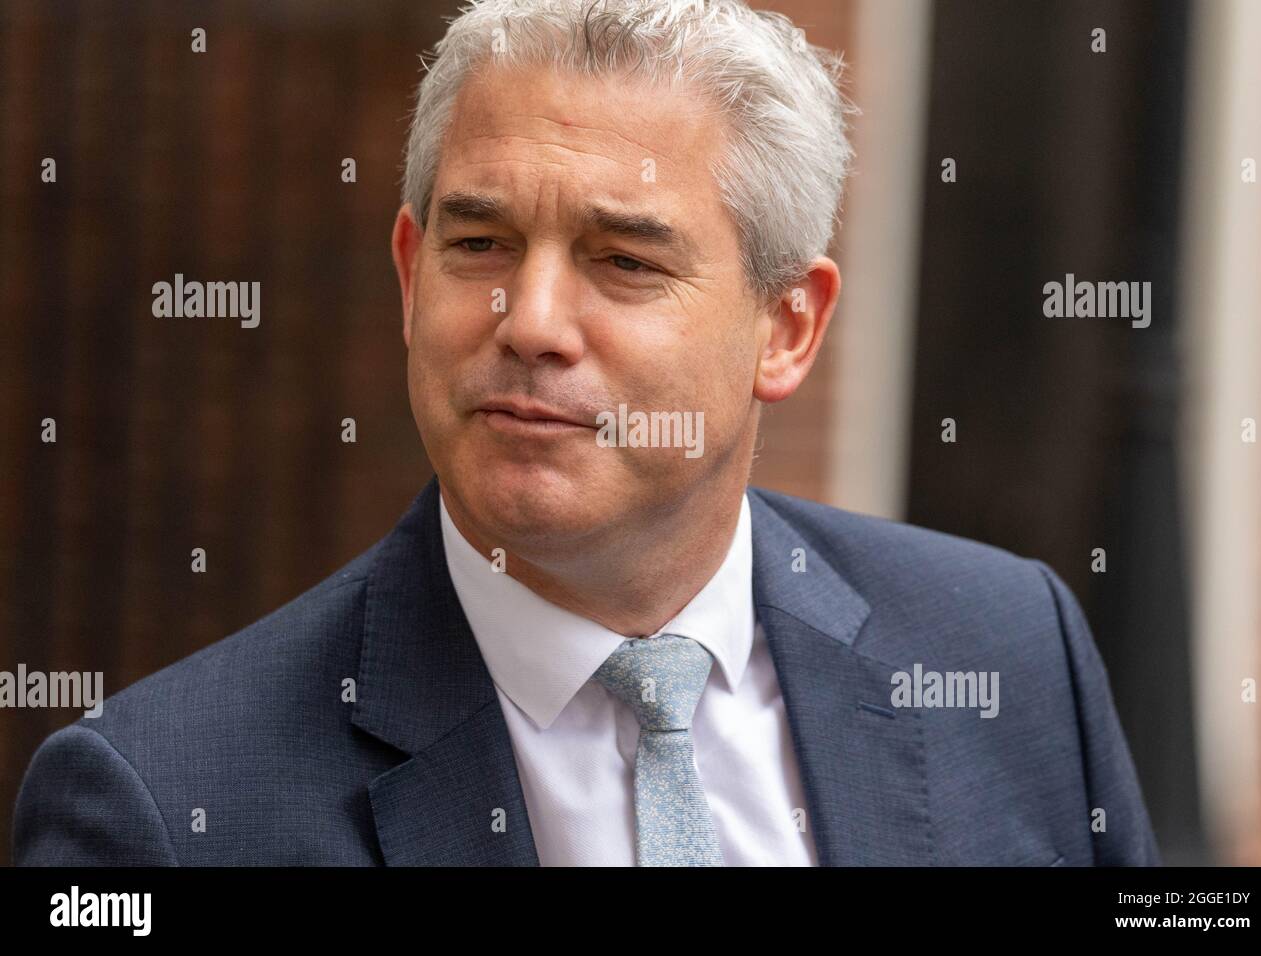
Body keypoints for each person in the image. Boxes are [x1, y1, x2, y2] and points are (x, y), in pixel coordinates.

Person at [14, 0, 1159, 866]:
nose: (533, 322)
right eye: (481, 246)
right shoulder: (162, 806)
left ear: (787, 326)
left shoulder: (1009, 654)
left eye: (624, 260)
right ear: (411, 276)